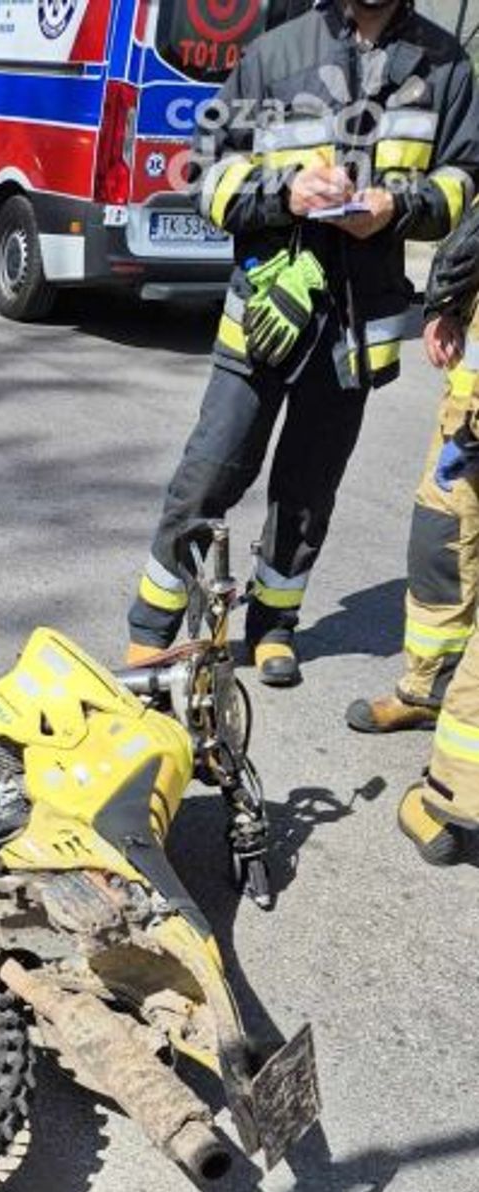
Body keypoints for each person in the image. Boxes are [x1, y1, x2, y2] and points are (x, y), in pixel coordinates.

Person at [125, 0, 479, 690]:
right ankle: (151, 630)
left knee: (310, 489)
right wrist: (283, 193)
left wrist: (396, 207)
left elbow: (465, 182)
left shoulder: (445, 65)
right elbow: (203, 172)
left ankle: (274, 626)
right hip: (266, 313)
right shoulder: (276, 52)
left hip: (354, 328)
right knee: (211, 473)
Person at [372, 204, 479, 861]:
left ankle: (448, 792)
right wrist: (447, 299)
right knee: (441, 541)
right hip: (466, 422)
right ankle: (426, 689)